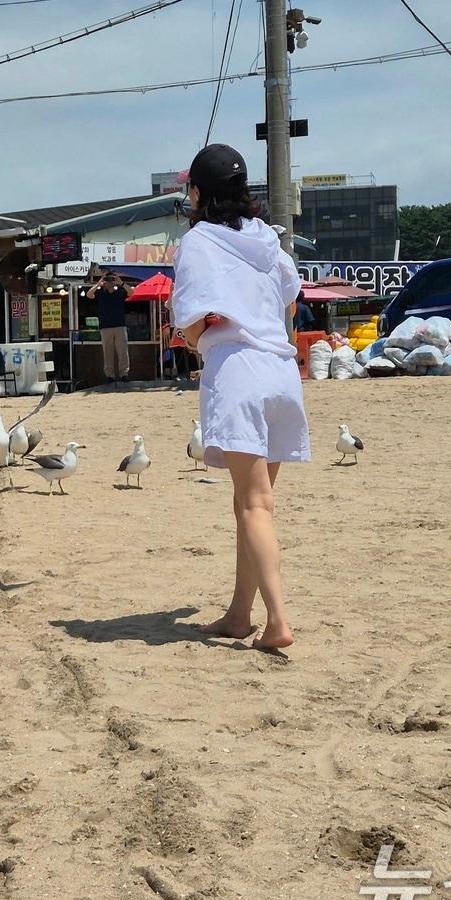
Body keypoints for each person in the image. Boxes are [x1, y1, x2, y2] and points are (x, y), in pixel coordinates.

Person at [170, 143, 308, 652]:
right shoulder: (268, 239)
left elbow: (187, 324)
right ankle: (239, 613)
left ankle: (277, 620)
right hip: (281, 373)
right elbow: (289, 299)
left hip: (240, 372)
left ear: (198, 192)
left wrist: (195, 335)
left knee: (253, 506)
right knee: (253, 503)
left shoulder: (199, 241)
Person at [87, 269, 134, 383]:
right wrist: (98, 284)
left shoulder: (120, 292)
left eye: (111, 279)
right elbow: (89, 294)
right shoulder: (101, 294)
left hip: (120, 326)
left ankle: (124, 374)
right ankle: (110, 375)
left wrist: (121, 282)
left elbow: (132, 292)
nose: (110, 281)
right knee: (107, 352)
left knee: (122, 351)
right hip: (105, 327)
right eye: (108, 280)